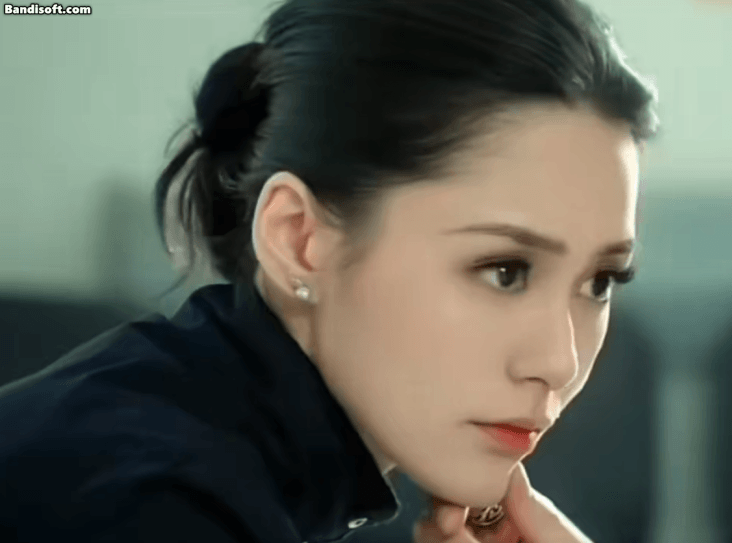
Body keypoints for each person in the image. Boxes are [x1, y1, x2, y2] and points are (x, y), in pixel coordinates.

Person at [0, 0, 659, 541]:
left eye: (599, 282)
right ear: (298, 239)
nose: (559, 361)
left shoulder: (211, 440)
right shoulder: (153, 504)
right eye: (504, 270)